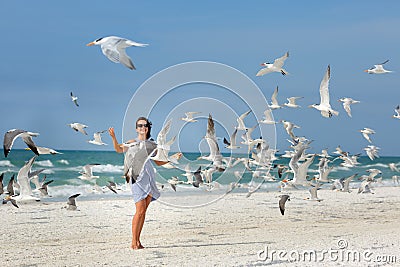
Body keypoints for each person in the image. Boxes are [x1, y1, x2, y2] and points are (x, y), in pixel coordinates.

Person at [109, 117, 180, 250]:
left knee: (143, 212)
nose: (143, 128)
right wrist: (114, 137)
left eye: (145, 125)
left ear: (148, 128)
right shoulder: (132, 142)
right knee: (139, 210)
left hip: (148, 177)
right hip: (136, 177)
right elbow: (119, 150)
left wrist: (172, 158)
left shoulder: (152, 144)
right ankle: (133, 242)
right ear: (136, 128)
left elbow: (158, 162)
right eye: (140, 126)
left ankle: (138, 241)